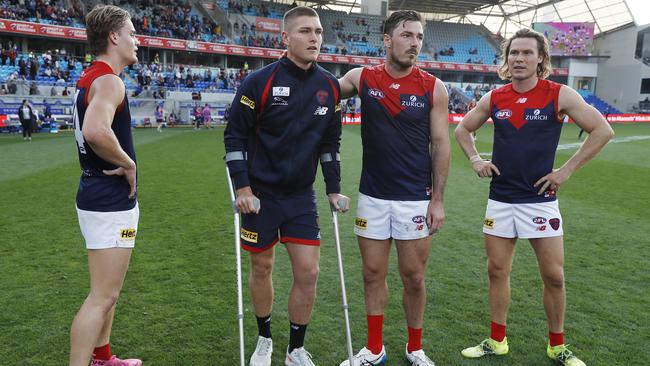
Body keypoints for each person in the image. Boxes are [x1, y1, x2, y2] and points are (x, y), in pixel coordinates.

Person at [454, 28, 614, 366]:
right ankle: (497, 340)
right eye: (514, 53)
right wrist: (475, 159)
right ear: (506, 58)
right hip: (500, 199)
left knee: (554, 276)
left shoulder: (559, 94)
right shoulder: (495, 98)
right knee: (497, 270)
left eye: (527, 53)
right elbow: (462, 128)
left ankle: (557, 346)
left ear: (540, 58)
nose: (519, 59)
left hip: (540, 200)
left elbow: (603, 130)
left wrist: (566, 171)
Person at [224, 6, 348, 366]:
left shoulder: (329, 87)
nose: (315, 38)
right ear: (286, 38)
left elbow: (330, 145)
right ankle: (264, 339)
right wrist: (243, 189)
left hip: (300, 196)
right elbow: (234, 137)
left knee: (308, 273)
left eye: (319, 32)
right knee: (262, 268)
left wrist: (333, 189)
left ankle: (295, 349)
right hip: (260, 197)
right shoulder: (258, 82)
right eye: (306, 31)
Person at [337, 10, 450, 366]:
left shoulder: (433, 86)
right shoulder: (363, 78)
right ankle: (374, 349)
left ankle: (414, 347)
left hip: (416, 198)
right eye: (406, 35)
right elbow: (318, 93)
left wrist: (438, 201)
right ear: (387, 40)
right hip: (372, 195)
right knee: (372, 274)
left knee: (414, 277)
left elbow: (441, 144)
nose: (414, 43)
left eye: (418, 37)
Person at [68, 5, 142, 366]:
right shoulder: (110, 80)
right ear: (114, 37)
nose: (136, 40)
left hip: (100, 195)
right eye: (131, 33)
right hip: (108, 200)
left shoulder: (92, 76)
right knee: (101, 297)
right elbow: (95, 131)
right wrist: (128, 163)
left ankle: (103, 358)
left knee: (108, 294)